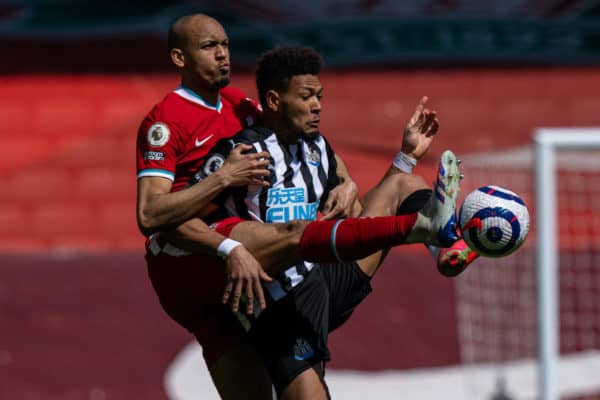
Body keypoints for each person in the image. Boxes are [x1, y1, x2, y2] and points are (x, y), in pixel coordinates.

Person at [166, 46, 475, 398]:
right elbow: (178, 221)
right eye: (307, 96)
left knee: (406, 182)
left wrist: (399, 159)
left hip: (324, 279)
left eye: (320, 96)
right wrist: (229, 248)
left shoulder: (317, 149)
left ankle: (445, 248)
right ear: (274, 100)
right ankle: (425, 226)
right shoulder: (243, 154)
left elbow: (356, 217)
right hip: (275, 302)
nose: (317, 106)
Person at [136, 13, 362, 399]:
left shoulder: (240, 105)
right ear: (179, 58)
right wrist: (223, 178)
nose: (223, 54)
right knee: (303, 243)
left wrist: (344, 180)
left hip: (243, 261)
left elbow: (303, 135)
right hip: (190, 265)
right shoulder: (164, 122)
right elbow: (149, 215)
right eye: (209, 47)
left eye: (224, 45)